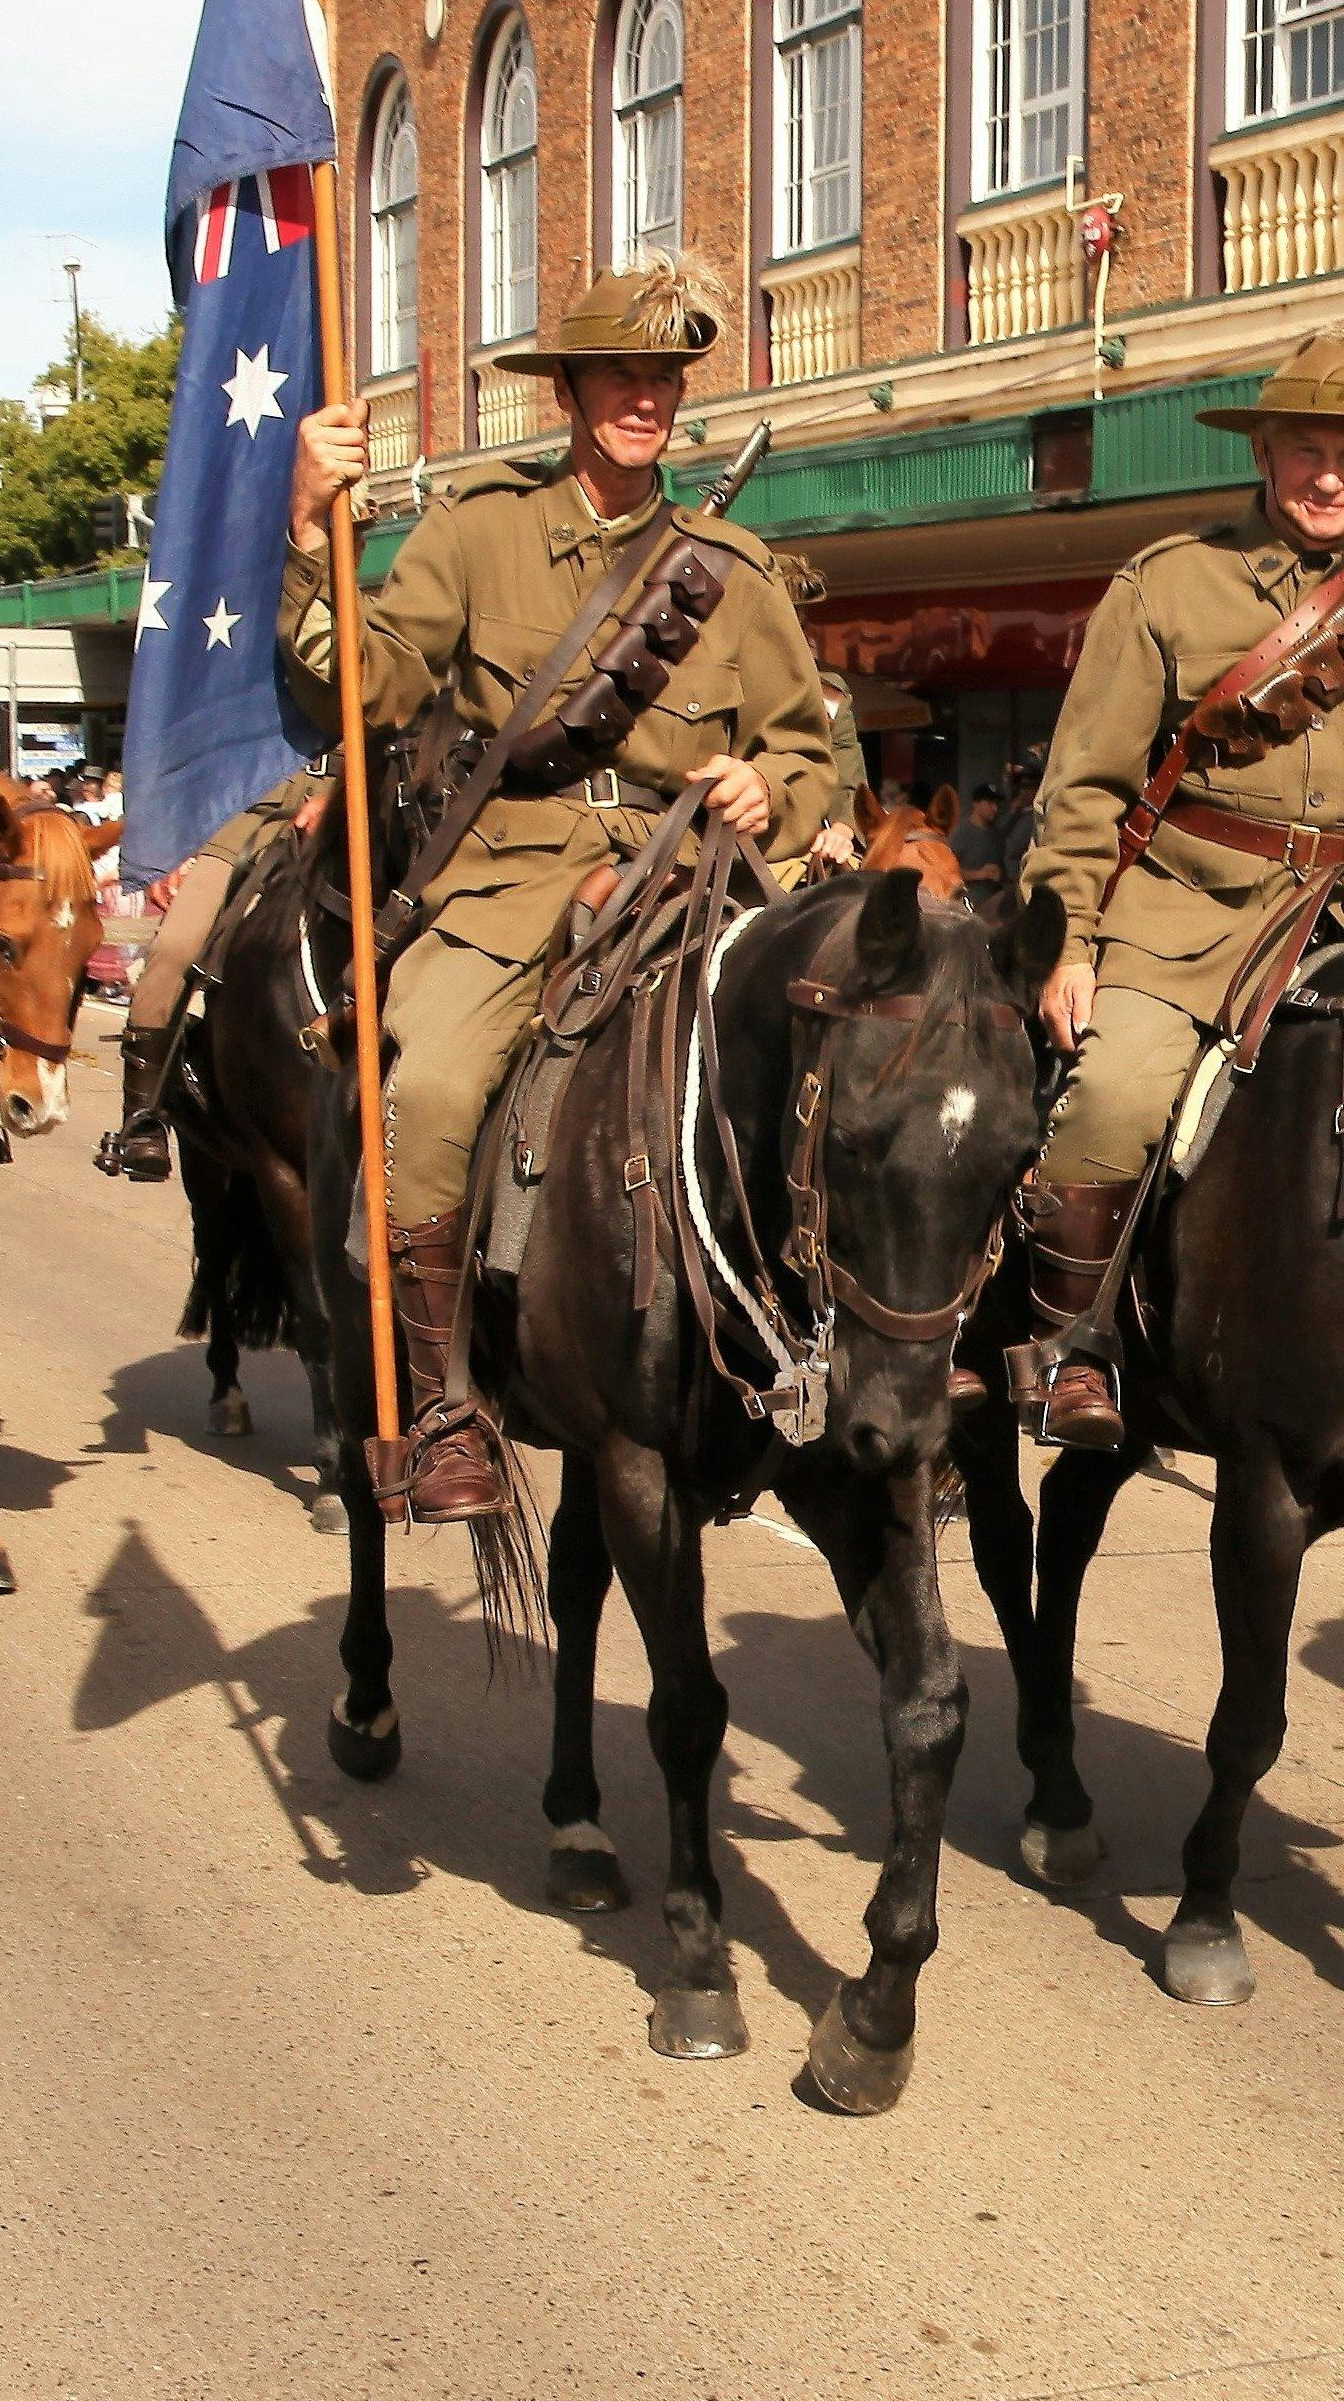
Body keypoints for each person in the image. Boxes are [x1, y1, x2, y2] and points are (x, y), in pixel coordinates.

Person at [280, 257, 847, 1520]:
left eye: (664, 377)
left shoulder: (733, 570)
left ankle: (836, 1360)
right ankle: (440, 1408)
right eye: (622, 375)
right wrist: (314, 530)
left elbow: (810, 746)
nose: (645, 397)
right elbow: (363, 686)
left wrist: (768, 784)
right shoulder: (476, 532)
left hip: (690, 875)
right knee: (421, 1086)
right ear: (573, 392)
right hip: (512, 882)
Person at [1010, 325, 1344, 1453]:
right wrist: (1070, 943)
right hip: (1191, 912)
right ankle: (1068, 1349)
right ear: (1264, 454)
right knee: (1115, 1092)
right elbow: (1086, 788)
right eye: (1306, 449)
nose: (1330, 475)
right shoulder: (1168, 585)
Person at [89, 759, 329, 1182]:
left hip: (369, 818)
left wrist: (346, 796)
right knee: (175, 948)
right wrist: (175, 843)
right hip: (243, 823)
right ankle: (143, 1117)